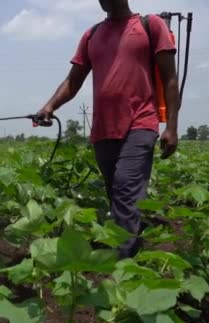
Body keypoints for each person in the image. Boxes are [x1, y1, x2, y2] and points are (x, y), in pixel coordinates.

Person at [37, 0, 180, 259]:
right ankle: (133, 240)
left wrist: (172, 126)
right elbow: (74, 80)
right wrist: (50, 106)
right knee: (116, 191)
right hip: (103, 128)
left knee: (126, 186)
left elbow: (170, 77)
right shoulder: (92, 35)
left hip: (141, 122)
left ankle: (121, 265)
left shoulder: (150, 26)